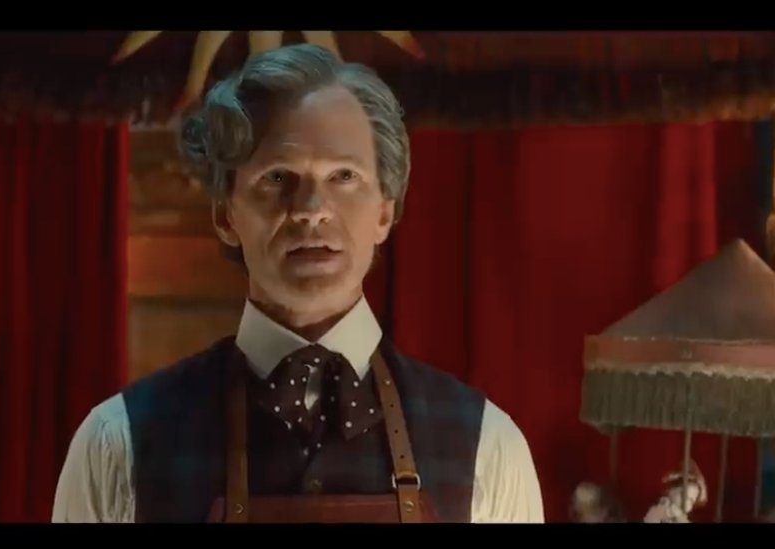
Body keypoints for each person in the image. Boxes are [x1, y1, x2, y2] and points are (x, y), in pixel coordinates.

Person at [52, 43, 543, 523]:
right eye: (276, 178)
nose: (311, 209)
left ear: (384, 211)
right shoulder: (118, 444)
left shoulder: (487, 448)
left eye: (343, 176)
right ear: (226, 215)